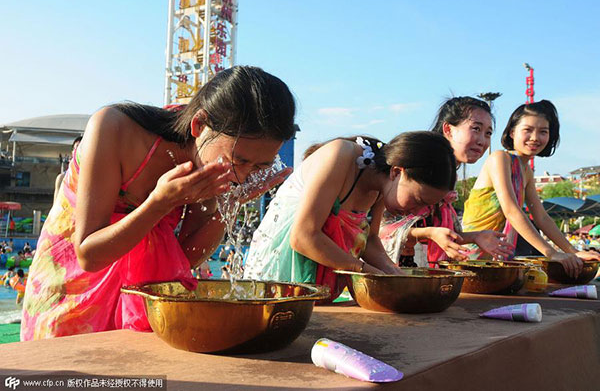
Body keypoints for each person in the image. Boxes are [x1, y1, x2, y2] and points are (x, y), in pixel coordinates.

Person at [21, 66, 296, 340]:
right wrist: (160, 203)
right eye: (240, 161)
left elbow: (185, 259)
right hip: (71, 287)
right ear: (199, 125)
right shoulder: (115, 129)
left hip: (138, 298)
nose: (243, 175)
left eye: (261, 166)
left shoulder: (215, 165)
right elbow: (88, 255)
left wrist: (231, 204)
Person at [243, 131, 457, 302]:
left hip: (319, 281)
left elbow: (370, 240)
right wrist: (365, 271)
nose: (415, 212)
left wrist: (393, 274)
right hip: (282, 268)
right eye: (417, 200)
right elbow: (303, 237)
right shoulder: (340, 155)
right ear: (396, 172)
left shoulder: (382, 185)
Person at [462, 100, 599, 277]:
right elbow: (511, 210)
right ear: (512, 132)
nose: (535, 137)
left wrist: (573, 251)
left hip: (497, 257)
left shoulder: (526, 171)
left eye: (543, 132)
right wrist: (551, 253)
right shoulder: (500, 158)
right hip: (472, 254)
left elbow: (541, 216)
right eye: (527, 130)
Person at [380, 97, 513, 266]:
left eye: (488, 133)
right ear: (448, 129)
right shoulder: (420, 166)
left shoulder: (449, 176)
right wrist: (429, 233)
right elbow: (381, 229)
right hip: (391, 269)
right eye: (476, 129)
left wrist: (476, 236)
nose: (482, 141)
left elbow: (441, 233)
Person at [54, 136, 83, 203]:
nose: (80, 151)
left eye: (81, 148)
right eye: (77, 148)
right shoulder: (62, 178)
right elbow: (55, 206)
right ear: (73, 152)